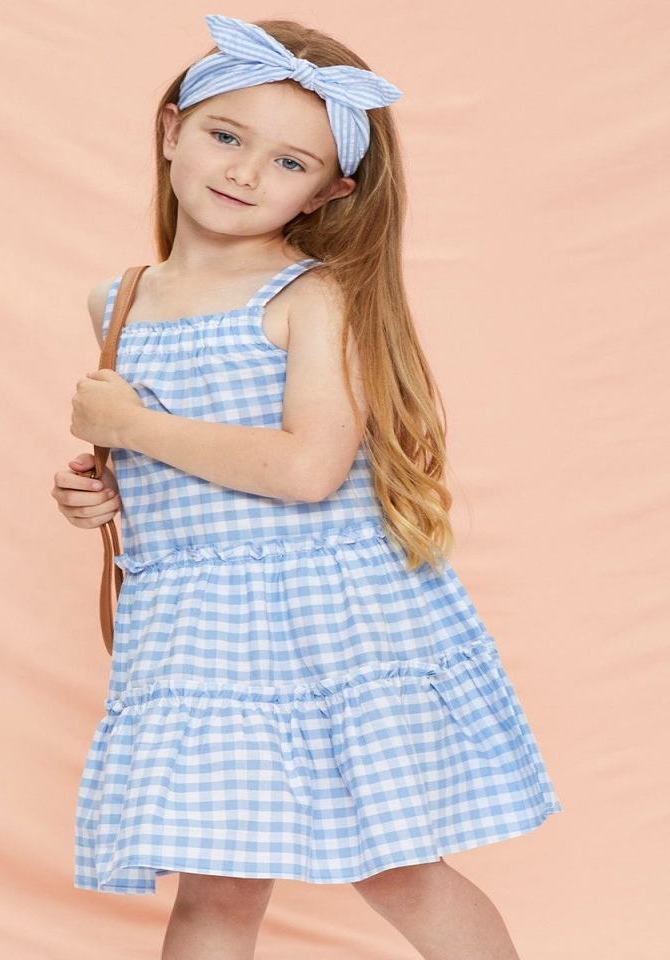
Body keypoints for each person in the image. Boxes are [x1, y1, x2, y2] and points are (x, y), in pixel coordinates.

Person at [51, 13, 562, 960]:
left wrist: (134, 429)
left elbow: (307, 468)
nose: (245, 173)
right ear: (172, 130)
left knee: (397, 867)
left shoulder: (312, 297)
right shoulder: (116, 302)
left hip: (324, 623)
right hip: (198, 633)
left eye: (289, 162)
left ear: (331, 192)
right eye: (226, 136)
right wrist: (103, 491)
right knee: (214, 884)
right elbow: (174, 463)